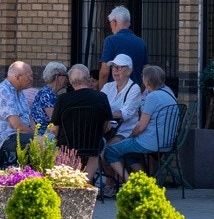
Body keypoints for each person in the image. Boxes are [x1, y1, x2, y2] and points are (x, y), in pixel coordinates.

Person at [102, 64, 178, 191]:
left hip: (151, 142)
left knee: (109, 151)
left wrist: (131, 136)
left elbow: (141, 126)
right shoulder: (169, 93)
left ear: (146, 80)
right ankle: (145, 184)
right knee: (130, 152)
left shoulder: (152, 97)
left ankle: (130, 183)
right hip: (167, 142)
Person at [51, 63, 116, 194]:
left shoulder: (63, 99)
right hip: (93, 146)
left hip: (67, 147)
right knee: (100, 147)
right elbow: (107, 125)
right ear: (88, 79)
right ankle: (85, 181)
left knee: (53, 144)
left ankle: (69, 182)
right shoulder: (101, 97)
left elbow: (55, 129)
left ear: (70, 81)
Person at [0, 61, 35, 166]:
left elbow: (29, 117)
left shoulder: (19, 91)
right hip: (5, 137)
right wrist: (36, 136)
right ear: (17, 77)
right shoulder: (4, 92)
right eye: (29, 76)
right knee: (36, 142)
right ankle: (31, 174)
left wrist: (37, 133)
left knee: (48, 139)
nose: (32, 79)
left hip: (18, 135)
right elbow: (17, 125)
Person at [97, 5, 148, 88]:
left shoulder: (111, 40)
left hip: (115, 92)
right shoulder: (141, 42)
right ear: (128, 23)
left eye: (110, 23)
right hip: (135, 90)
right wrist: (140, 90)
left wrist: (101, 94)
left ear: (114, 22)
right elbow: (146, 71)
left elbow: (104, 73)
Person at [102, 53, 144, 139]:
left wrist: (104, 115)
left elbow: (124, 113)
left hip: (124, 132)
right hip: (105, 129)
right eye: (113, 67)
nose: (115, 70)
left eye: (119, 67)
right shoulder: (107, 86)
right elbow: (98, 104)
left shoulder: (134, 89)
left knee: (107, 149)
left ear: (129, 71)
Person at [28, 61, 69, 133]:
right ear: (57, 78)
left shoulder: (48, 92)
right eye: (65, 75)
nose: (67, 79)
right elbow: (55, 119)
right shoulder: (47, 95)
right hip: (44, 137)